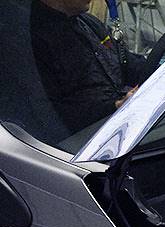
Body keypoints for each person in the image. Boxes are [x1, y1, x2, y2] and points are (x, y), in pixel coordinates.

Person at [30, 0, 147, 135]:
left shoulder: (88, 23)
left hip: (120, 119)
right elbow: (54, 112)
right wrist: (115, 106)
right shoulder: (34, 40)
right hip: (87, 136)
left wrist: (158, 72)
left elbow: (125, 62)